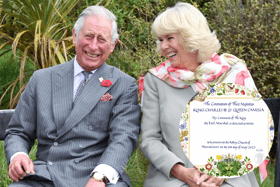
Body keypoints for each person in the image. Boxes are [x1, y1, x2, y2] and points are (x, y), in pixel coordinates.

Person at [4, 5, 141, 187]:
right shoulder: (42, 78)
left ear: (113, 45)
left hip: (99, 175)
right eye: (88, 36)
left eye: (101, 39)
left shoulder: (124, 84)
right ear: (75, 36)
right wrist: (18, 155)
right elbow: (18, 131)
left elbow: (123, 138)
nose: (93, 46)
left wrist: (101, 176)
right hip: (46, 176)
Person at [140, 2, 259, 187]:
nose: (163, 46)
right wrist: (182, 172)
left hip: (230, 175)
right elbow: (149, 139)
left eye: (170, 38)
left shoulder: (232, 72)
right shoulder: (156, 79)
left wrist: (223, 170)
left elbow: (253, 130)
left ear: (190, 37)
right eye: (160, 39)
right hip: (173, 178)